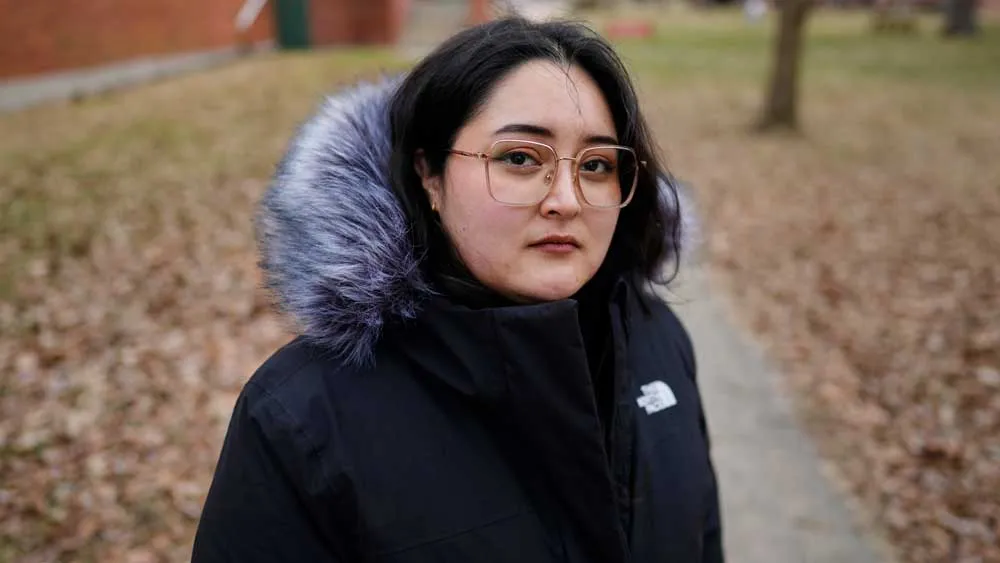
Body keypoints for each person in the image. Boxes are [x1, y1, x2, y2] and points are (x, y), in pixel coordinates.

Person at [192, 16, 723, 563]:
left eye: (595, 165)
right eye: (520, 158)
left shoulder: (655, 339)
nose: (567, 200)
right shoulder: (302, 416)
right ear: (430, 174)